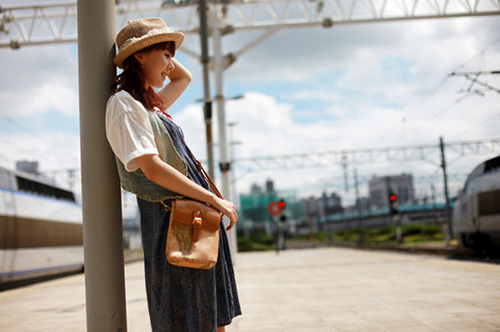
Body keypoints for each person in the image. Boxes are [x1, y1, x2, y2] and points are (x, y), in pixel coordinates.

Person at [105, 18, 241, 332]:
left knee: (210, 315)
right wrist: (212, 199)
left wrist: (161, 50)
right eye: (166, 55)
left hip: (191, 219)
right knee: (188, 317)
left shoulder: (150, 106)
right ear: (139, 55)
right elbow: (150, 167)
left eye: (171, 56)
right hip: (172, 221)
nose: (171, 65)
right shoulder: (125, 105)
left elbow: (184, 76)